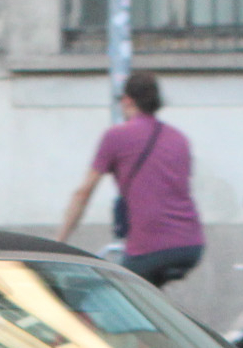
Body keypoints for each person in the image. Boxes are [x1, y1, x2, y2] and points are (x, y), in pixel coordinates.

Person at [54, 71, 205, 288]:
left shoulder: (116, 137)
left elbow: (84, 192)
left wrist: (59, 241)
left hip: (151, 244)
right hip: (191, 244)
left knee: (111, 299)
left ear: (127, 100)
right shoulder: (179, 138)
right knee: (146, 305)